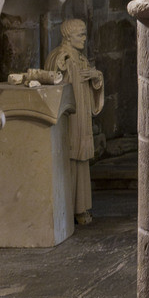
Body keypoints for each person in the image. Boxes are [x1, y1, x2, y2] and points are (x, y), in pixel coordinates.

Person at [44, 18, 105, 225]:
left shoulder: (80, 59)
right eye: (81, 34)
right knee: (68, 159)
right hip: (68, 117)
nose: (85, 39)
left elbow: (90, 91)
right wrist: (60, 67)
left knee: (81, 160)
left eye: (85, 34)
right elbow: (51, 77)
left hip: (81, 117)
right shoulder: (61, 56)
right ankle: (67, 208)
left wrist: (96, 78)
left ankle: (81, 208)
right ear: (68, 37)